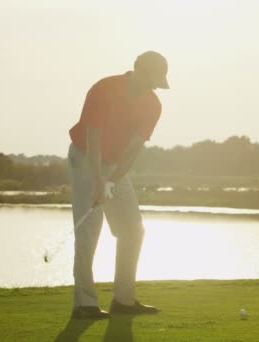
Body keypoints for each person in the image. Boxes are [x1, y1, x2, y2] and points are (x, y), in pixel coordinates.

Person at [66, 51, 169, 319]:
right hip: (86, 156)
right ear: (137, 69)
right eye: (152, 79)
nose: (153, 86)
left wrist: (112, 180)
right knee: (89, 231)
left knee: (133, 228)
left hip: (116, 165)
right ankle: (84, 305)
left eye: (158, 82)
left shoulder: (153, 105)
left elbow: (134, 149)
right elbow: (93, 139)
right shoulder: (105, 88)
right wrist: (99, 182)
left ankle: (124, 300)